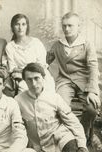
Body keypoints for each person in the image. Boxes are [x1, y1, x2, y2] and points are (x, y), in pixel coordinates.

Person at [46, 12, 102, 150]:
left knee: (91, 108)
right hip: (65, 81)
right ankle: (66, 138)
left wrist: (93, 91)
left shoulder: (87, 44)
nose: (67, 29)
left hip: (84, 81)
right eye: (64, 26)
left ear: (78, 27)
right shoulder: (57, 45)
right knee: (60, 107)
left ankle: (84, 135)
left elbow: (93, 67)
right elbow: (44, 61)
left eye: (70, 26)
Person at [15, 63, 88, 152]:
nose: (33, 84)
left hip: (59, 139)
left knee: (71, 146)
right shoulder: (18, 100)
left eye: (36, 78)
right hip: (36, 145)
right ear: (25, 81)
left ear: (43, 78)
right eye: (29, 80)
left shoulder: (54, 98)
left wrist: (82, 145)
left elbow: (73, 122)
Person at [5, 13, 55, 94]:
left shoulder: (36, 42)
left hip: (40, 74)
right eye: (17, 24)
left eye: (23, 24)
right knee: (24, 90)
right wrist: (26, 72)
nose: (20, 28)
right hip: (23, 77)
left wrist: (30, 70)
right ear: (12, 27)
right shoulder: (10, 46)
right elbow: (12, 68)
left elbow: (41, 64)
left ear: (27, 26)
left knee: (48, 90)